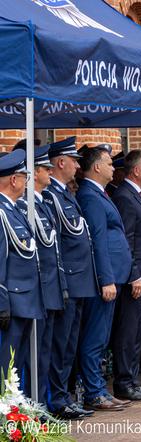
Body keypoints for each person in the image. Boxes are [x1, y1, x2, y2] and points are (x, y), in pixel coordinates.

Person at [77, 146, 139, 411]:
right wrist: (106, 278)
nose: (114, 168)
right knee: (95, 338)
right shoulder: (90, 197)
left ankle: (99, 388)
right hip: (105, 278)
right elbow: (98, 240)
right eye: (109, 164)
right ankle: (94, 391)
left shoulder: (100, 193)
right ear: (97, 167)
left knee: (102, 339)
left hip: (116, 274)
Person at [42, 137, 97, 420]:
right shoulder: (51, 195)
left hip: (80, 280)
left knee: (69, 344)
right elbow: (57, 243)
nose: (78, 165)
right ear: (60, 163)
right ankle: (56, 399)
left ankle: (63, 395)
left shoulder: (65, 193)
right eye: (74, 160)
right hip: (68, 280)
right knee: (60, 343)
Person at [14, 144, 66, 407]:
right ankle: (30, 405)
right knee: (30, 355)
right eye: (45, 168)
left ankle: (42, 403)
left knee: (44, 352)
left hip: (49, 289)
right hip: (34, 291)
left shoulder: (41, 203)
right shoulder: (23, 207)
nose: (49, 173)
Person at [110, 150, 141, 401]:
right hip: (135, 278)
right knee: (128, 330)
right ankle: (124, 382)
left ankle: (133, 379)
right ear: (136, 171)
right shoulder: (124, 196)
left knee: (137, 330)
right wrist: (133, 274)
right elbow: (126, 241)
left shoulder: (139, 195)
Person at [0, 149, 45, 400]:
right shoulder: (2, 212)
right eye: (24, 176)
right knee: (7, 364)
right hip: (13, 302)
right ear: (14, 180)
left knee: (17, 365)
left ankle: (17, 413)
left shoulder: (13, 209)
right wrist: (2, 304)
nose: (27, 181)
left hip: (26, 300)